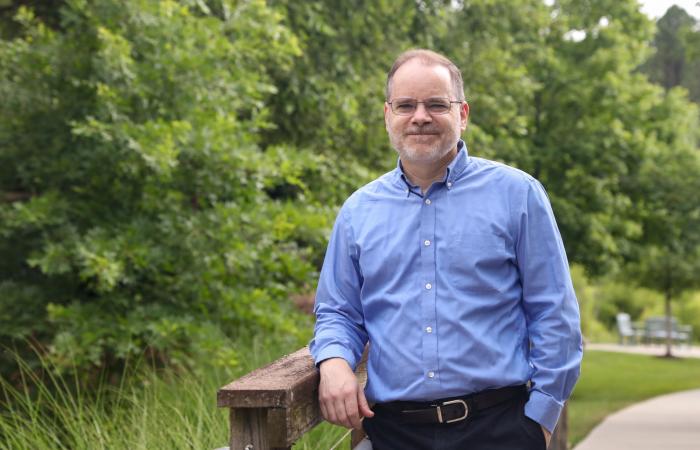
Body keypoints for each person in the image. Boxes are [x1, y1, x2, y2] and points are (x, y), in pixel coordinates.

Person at [310, 49, 582, 450]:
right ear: (388, 115)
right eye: (406, 105)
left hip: (501, 429)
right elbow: (338, 311)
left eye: (436, 104)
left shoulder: (518, 195)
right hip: (393, 433)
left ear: (463, 114)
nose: (420, 116)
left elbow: (554, 314)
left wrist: (539, 421)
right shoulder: (358, 211)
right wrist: (333, 362)